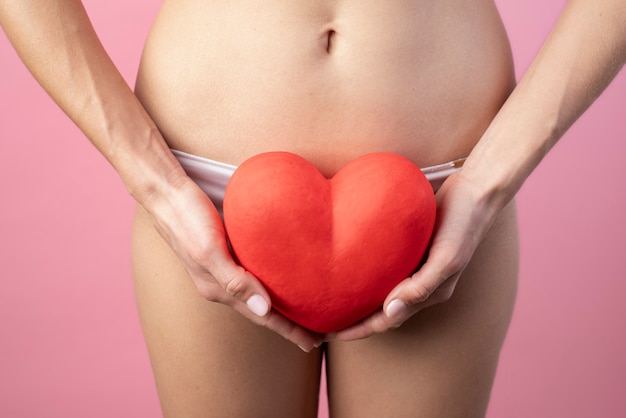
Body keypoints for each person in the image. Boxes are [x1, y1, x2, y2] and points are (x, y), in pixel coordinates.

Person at [1, 0, 624, 416]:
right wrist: (158, 187)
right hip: (203, 200)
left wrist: (488, 183)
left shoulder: (469, 194)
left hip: (446, 202)